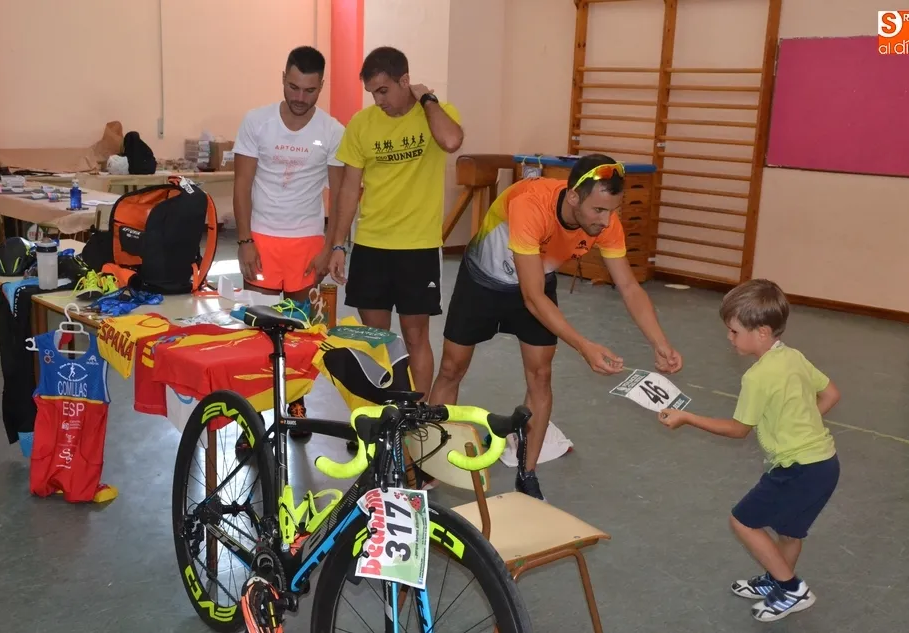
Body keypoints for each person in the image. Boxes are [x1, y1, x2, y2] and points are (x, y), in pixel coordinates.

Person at [428, 154, 683, 500]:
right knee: (451, 368)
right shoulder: (531, 203)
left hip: (538, 279)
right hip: (483, 281)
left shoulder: (606, 222)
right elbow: (532, 299)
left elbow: (628, 286)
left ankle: (527, 473)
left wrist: (659, 342)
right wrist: (584, 346)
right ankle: (430, 462)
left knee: (541, 375)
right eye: (599, 210)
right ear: (574, 196)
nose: (607, 221)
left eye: (613, 210)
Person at [658, 279, 841, 623]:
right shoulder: (793, 357)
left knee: (742, 521)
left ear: (762, 332)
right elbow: (831, 393)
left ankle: (792, 590)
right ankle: (777, 579)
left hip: (797, 469)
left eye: (734, 331)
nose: (729, 338)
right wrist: (800, 423)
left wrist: (688, 417)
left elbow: (738, 429)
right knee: (789, 531)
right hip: (825, 465)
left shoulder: (757, 376)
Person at [326, 46, 463, 401]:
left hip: (418, 247)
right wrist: (338, 244)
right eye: (373, 92)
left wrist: (427, 99)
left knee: (416, 337)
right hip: (371, 245)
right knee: (376, 340)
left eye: (384, 90)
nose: (379, 100)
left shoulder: (435, 114)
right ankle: (382, 415)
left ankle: (416, 419)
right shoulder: (362, 124)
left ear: (405, 81)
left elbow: (451, 141)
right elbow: (349, 189)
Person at [232, 45, 345, 436]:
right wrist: (244, 241)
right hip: (261, 240)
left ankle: (296, 403)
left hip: (307, 244)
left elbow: (338, 195)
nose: (300, 97)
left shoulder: (332, 131)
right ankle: (251, 420)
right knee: (258, 335)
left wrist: (329, 247)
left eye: (309, 90)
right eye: (293, 87)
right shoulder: (257, 122)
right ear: (283, 78)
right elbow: (242, 184)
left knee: (299, 334)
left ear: (321, 87)